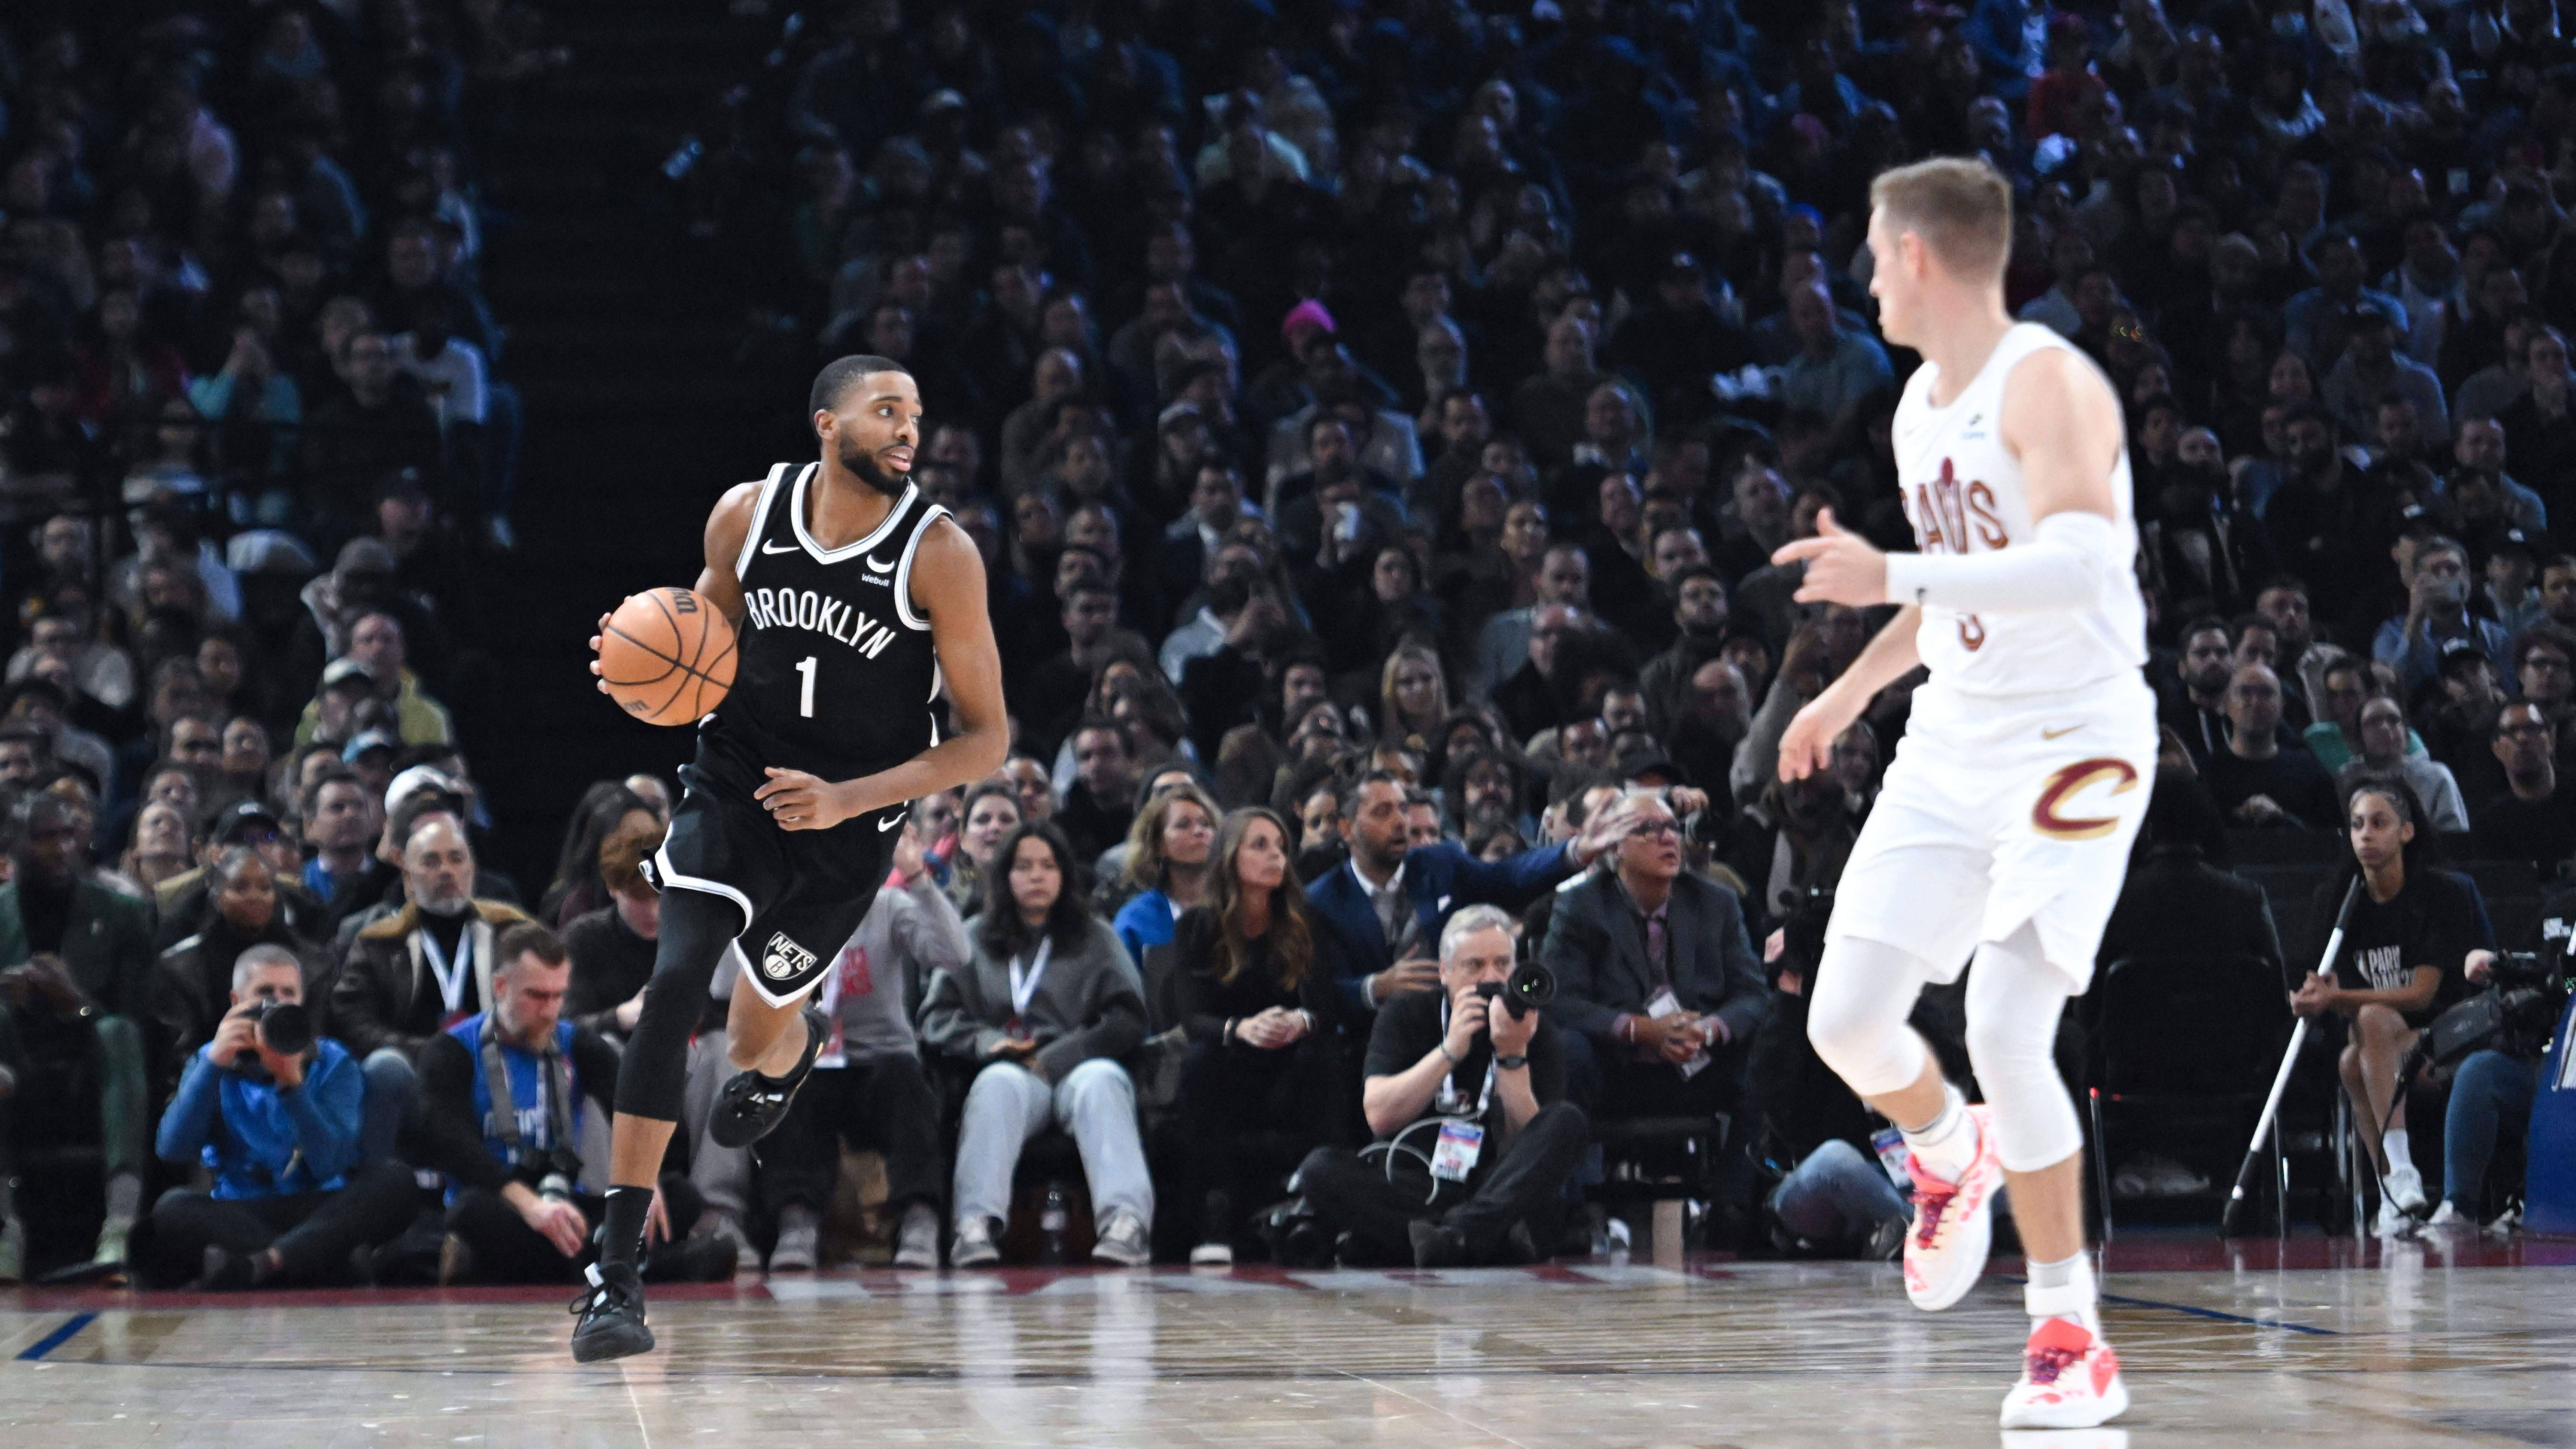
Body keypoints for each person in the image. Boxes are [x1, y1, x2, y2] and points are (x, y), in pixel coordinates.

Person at [1772, 158, 2149, 1429]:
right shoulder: (1916, 409)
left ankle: (2067, 1331)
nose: (1864, 277)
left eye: (1874, 255)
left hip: (2074, 735)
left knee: (2001, 1022)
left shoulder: (2046, 380)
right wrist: (1842, 698)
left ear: (1920, 256)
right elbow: (1941, 597)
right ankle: (1946, 1151)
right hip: (1954, 735)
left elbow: (2079, 565)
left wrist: (1886, 571)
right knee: (1846, 1022)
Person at [572, 355, 1008, 1361]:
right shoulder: (745, 514)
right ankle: (615, 1274)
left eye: (917, 415)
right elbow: (700, 641)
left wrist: (849, 799)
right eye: (886, 410)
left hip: (847, 827)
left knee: (760, 1028)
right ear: (826, 422)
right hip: (733, 783)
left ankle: (792, 1051)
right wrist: (641, 663)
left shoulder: (939, 553)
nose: (909, 431)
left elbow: (984, 742)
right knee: (677, 980)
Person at [416, 925, 737, 1284]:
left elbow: (631, 1105)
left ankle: (596, 1263)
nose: (551, 1011)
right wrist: (534, 1207)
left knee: (680, 1197)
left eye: (559, 996)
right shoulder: (453, 1050)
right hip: (505, 1201)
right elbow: (450, 1143)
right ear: (501, 987)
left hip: (569, 1203)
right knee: (469, 1213)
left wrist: (646, 1182)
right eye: (537, 996)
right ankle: (637, 1267)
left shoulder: (574, 1041)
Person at [1294, 906, 1589, 1267]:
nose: (1490, 977)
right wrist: (1449, 1051)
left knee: (1566, 1120)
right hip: (1415, 1180)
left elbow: (1532, 1144)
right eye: (1474, 966)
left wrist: (1512, 1055)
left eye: (1502, 964)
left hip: (1495, 1184)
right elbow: (1380, 1116)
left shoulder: (1533, 1026)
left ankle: (1445, 1237)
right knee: (1319, 1169)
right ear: (1444, 972)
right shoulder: (1405, 1014)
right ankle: (1469, 1240)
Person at [918, 823, 1153, 1268]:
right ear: (1005, 876)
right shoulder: (972, 937)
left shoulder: (1096, 937)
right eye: (1024, 866)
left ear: (1064, 875)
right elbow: (935, 1017)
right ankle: (976, 1225)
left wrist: (1060, 1056)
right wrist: (988, 1043)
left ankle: (1127, 1221)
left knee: (1103, 1082)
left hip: (1076, 1064)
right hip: (1010, 1068)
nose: (1037, 876)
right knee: (997, 1086)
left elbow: (1128, 1018)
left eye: (1048, 866)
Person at [144, 945, 416, 1288]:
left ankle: (264, 1263)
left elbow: (332, 1163)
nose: (277, 1002)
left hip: (318, 1205)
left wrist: (293, 1086)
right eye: (264, 992)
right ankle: (316, 1261)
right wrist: (213, 1066)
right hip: (244, 1208)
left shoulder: (332, 1060)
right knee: (172, 1208)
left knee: (395, 1181)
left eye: (289, 993)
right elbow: (172, 1149)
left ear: (302, 1000)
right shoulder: (209, 1060)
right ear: (236, 1000)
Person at [755, 821, 957, 1272]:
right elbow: (728, 987)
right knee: (786, 1085)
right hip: (810, 1062)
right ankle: (797, 1222)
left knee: (905, 1078)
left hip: (879, 1062)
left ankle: (920, 1218)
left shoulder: (888, 906)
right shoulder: (783, 912)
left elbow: (954, 955)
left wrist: (920, 880)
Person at [2290, 781, 2485, 1235]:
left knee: (2360, 1049)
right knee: (2358, 1046)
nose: (2366, 835)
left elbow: (2420, 994)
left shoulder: (2441, 895)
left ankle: (2393, 1186)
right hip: (2379, 1048)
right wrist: (2308, 998)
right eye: (2357, 825)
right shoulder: (2339, 902)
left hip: (2442, 1039)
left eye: (2380, 823)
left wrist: (2337, 1000)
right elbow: (2320, 980)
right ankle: (2398, 1189)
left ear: (2407, 832)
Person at [1309, 769, 1630, 1022]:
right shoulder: (1322, 900)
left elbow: (1509, 876)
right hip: (1371, 1036)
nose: (1399, 822)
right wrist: (1374, 988)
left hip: (1459, 1017)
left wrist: (1577, 850)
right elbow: (1320, 993)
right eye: (1382, 812)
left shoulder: (1440, 862)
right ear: (1347, 828)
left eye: (1403, 809)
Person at [1166, 807, 1340, 1265]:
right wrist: (1240, 1028)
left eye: (1281, 848)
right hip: (1230, 1056)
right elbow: (1191, 1017)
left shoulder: (1305, 924)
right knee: (1200, 1061)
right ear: (1230, 857)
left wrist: (1301, 1021)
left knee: (1326, 1057)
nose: (1275, 857)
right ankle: (1213, 1214)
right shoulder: (1197, 926)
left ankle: (1318, 1206)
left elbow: (1325, 1005)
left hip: (1289, 1055)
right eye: (1260, 846)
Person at [1540, 791, 1769, 1125]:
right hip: (1617, 1070)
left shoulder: (1717, 903)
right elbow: (1561, 1000)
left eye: (1672, 827)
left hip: (1698, 1062)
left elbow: (1753, 994)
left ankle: (1742, 1177)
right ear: (1616, 846)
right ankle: (1571, 1173)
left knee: (1767, 1045)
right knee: (1569, 1049)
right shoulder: (1581, 906)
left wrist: (1707, 1030)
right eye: (1648, 828)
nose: (1667, 838)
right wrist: (1640, 1030)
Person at [0, 792, 156, 1275]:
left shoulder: (120, 914)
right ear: (15, 844)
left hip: (93, 1074)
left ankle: (120, 1222)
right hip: (15, 1065)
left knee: (118, 1032)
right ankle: (6, 1230)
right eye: (46, 837)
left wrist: (78, 1003)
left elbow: (140, 1020)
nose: (62, 848)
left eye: (69, 835)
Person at [2200, 664, 2343, 829]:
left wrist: (2283, 820)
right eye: (2245, 693)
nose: (2256, 702)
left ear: (2282, 705)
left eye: (2266, 693)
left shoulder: (2311, 774)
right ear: (2228, 704)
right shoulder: (2205, 774)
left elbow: (2329, 843)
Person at [1109, 782, 1219, 966]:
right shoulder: (1135, 921)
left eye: (1206, 824)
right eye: (1183, 825)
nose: (1200, 831)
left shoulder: (1234, 906)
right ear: (1158, 844)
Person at [2337, 695, 2471, 835]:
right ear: (2359, 736)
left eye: (2394, 720)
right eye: (2373, 722)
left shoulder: (2436, 776)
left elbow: (2455, 837)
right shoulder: (2348, 779)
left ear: (2406, 733)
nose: (2384, 727)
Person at [2473, 703, 2576, 864]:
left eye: (2532, 729)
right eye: (2512, 731)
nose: (2522, 739)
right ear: (2496, 748)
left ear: (2551, 739)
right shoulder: (2491, 824)